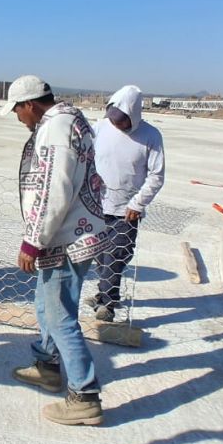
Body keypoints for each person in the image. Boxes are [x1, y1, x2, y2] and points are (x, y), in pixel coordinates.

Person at [3, 75, 110, 426]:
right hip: (71, 234)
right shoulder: (72, 119)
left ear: (30, 104)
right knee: (45, 306)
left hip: (63, 239)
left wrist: (32, 241)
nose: (19, 119)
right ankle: (47, 365)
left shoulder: (55, 130)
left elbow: (53, 190)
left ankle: (85, 395)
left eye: (17, 111)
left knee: (60, 316)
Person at [90, 85, 165, 322]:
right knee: (99, 255)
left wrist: (138, 203)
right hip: (97, 205)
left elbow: (156, 175)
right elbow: (87, 158)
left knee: (117, 254)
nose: (116, 125)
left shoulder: (150, 136)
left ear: (132, 117)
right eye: (112, 119)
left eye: (121, 122)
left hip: (127, 210)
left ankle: (107, 304)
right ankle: (105, 291)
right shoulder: (100, 128)